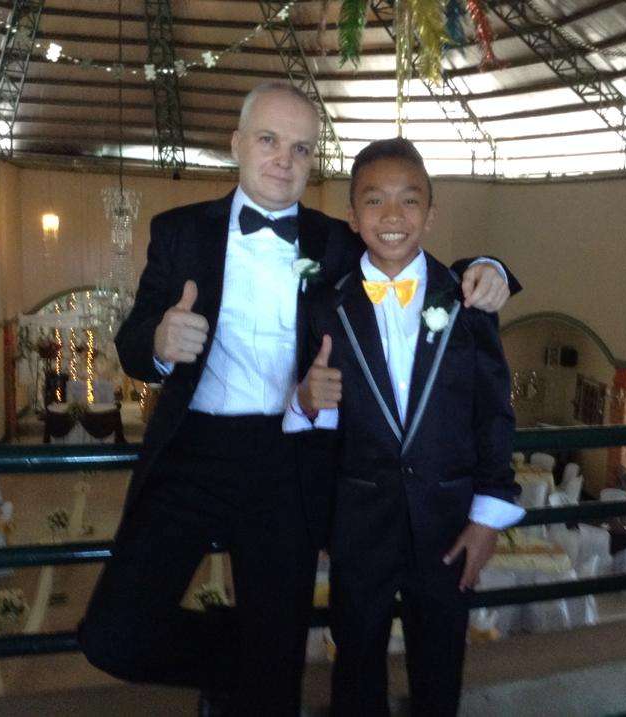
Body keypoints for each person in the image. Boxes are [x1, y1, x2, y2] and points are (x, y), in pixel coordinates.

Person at [77, 82, 517, 716]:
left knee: (275, 684)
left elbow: (412, 252)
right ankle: (239, 660)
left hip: (293, 456)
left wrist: (491, 269)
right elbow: (132, 342)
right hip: (193, 452)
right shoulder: (179, 232)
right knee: (113, 633)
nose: (284, 160)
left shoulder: (337, 239)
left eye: (302, 148)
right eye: (268, 140)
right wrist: (159, 343)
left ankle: (262, 666)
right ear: (237, 144)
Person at [290, 137, 524, 716]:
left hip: (449, 524)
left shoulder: (468, 299)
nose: (392, 215)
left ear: (431, 213)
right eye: (374, 201)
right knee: (355, 666)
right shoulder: (323, 306)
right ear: (352, 216)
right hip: (358, 526)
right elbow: (313, 420)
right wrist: (306, 402)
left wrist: (488, 518)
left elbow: (493, 413)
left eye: (409, 200)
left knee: (441, 666)